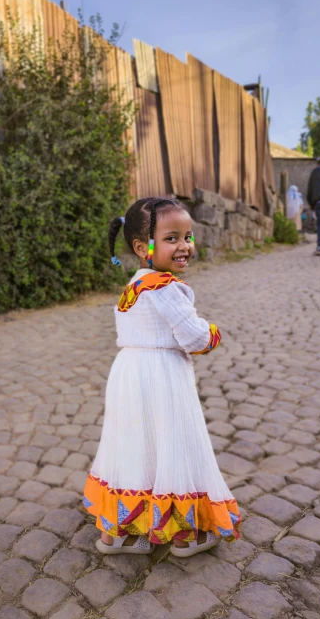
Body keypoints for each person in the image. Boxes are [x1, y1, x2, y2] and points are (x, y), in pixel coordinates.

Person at [82, 197, 241, 558]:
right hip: (162, 378)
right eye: (172, 238)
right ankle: (185, 536)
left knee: (133, 447)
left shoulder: (135, 286)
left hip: (128, 374)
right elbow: (195, 338)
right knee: (174, 444)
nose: (184, 246)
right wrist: (213, 332)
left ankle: (119, 535)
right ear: (142, 247)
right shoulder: (166, 288)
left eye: (188, 236)